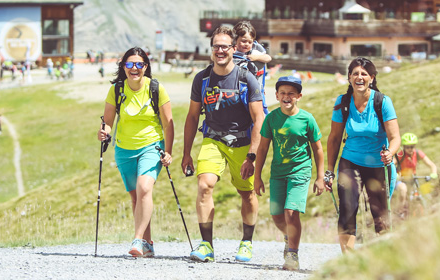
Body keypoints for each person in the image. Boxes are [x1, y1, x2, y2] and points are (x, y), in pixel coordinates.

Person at [182, 26, 265, 263]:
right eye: (216, 46)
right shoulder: (202, 78)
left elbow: (259, 118)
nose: (220, 50)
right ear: (211, 50)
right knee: (205, 185)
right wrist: (186, 153)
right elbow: (192, 116)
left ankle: (246, 243)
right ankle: (206, 245)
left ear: (233, 48)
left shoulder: (246, 78)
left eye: (225, 46)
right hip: (213, 140)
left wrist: (252, 154)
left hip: (242, 142)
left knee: (246, 193)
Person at [97, 47, 174, 257]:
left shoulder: (156, 88)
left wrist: (168, 151)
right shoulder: (116, 90)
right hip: (124, 149)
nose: (134, 68)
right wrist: (104, 132)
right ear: (123, 67)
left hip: (151, 146)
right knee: (136, 197)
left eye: (139, 64)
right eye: (130, 64)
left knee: (144, 188)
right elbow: (108, 122)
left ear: (145, 67)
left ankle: (137, 240)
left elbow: (168, 124)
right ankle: (147, 243)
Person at [325, 57, 401, 253]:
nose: (359, 77)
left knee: (380, 214)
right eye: (355, 73)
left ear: (372, 78)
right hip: (351, 161)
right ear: (349, 77)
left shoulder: (382, 102)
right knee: (347, 210)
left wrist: (390, 153)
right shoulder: (342, 102)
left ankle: (383, 260)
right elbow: (334, 138)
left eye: (364, 74)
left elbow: (395, 138)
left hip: (379, 164)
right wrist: (328, 171)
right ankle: (348, 261)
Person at [254, 76, 325, 270]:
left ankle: (292, 255)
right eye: (283, 93)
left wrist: (320, 177)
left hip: (300, 171)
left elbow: (318, 149)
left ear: (299, 96)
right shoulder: (271, 118)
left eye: (291, 93)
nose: (287, 97)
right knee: (277, 215)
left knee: (291, 212)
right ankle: (289, 238)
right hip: (278, 173)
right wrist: (257, 176)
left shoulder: (307, 119)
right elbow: (262, 149)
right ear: (276, 95)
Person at [394, 132, 438, 218]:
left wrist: (434, 173)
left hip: (413, 178)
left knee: (424, 191)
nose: (410, 149)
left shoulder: (418, 153)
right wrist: (395, 175)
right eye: (407, 147)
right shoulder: (400, 154)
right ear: (404, 147)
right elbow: (391, 165)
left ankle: (425, 211)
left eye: (412, 146)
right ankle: (400, 212)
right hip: (401, 179)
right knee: (403, 190)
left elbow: (432, 165)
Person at [233, 21, 271, 92]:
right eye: (243, 41)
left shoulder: (254, 52)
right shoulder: (231, 52)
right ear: (235, 40)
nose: (247, 44)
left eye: (250, 42)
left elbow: (268, 58)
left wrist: (256, 58)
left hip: (253, 89)